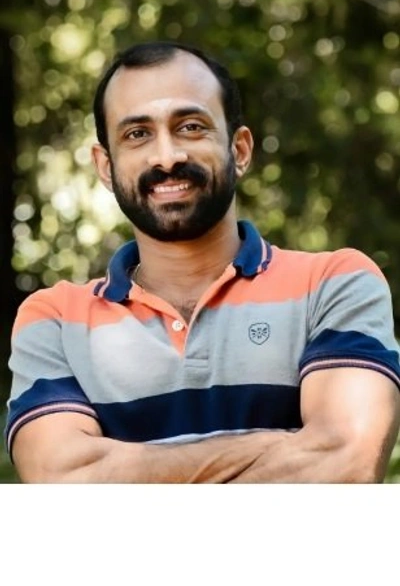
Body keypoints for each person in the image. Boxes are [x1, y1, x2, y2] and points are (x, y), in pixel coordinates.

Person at [5, 41, 400, 483]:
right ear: (105, 166)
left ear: (240, 150)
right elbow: (61, 482)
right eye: (137, 134)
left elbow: (346, 464)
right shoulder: (55, 320)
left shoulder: (334, 283)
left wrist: (122, 474)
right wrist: (281, 446)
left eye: (191, 127)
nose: (166, 157)